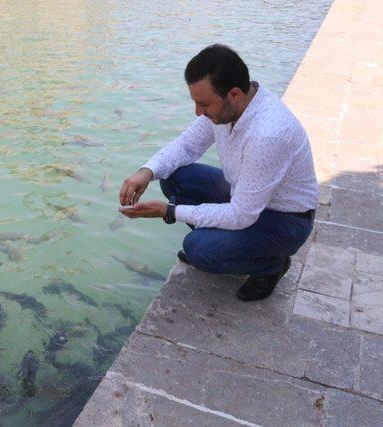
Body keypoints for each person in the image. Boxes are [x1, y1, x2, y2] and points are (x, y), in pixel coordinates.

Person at [118, 44, 318, 302]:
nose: (198, 113)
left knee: (199, 249)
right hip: (246, 198)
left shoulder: (268, 135)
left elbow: (241, 215)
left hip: (284, 220)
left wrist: (169, 211)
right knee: (172, 175)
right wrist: (145, 172)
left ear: (234, 94)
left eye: (203, 104)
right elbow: (186, 145)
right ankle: (225, 245)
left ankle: (270, 266)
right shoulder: (231, 107)